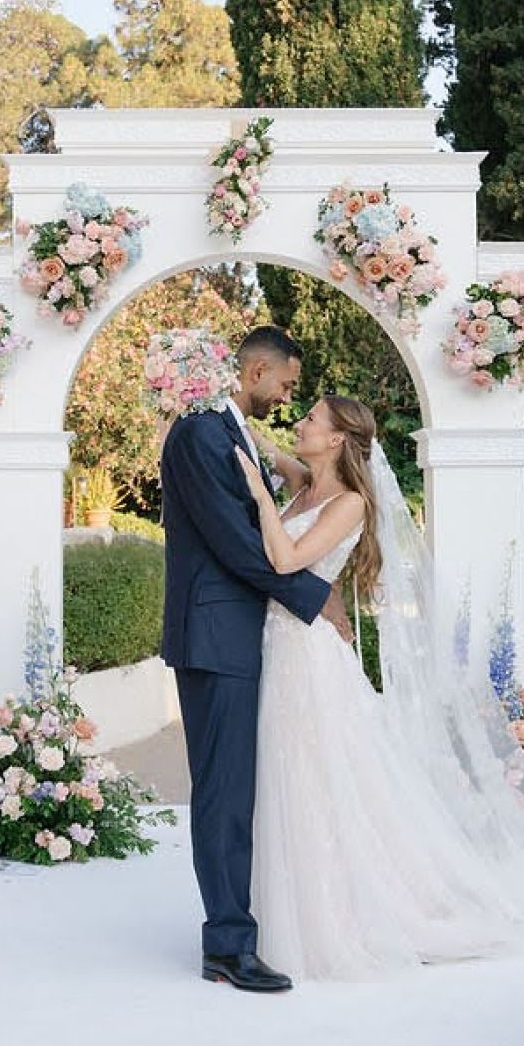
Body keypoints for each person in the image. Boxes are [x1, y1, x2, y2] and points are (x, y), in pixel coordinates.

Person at [229, 394, 524, 980]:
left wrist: (261, 497)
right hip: (280, 645)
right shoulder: (307, 485)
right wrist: (231, 417)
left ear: (338, 438)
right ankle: (291, 902)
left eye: (312, 418)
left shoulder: (348, 504)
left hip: (310, 655)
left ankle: (350, 911)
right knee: (296, 774)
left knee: (321, 776)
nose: (301, 423)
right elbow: (265, 447)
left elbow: (287, 560)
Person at [158, 325, 330, 993]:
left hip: (230, 634)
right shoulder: (203, 432)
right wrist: (317, 602)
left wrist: (280, 461)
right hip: (216, 637)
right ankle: (228, 946)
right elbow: (237, 544)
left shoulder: (226, 428)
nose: (286, 397)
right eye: (285, 383)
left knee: (236, 790)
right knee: (225, 793)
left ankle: (234, 931)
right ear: (255, 370)